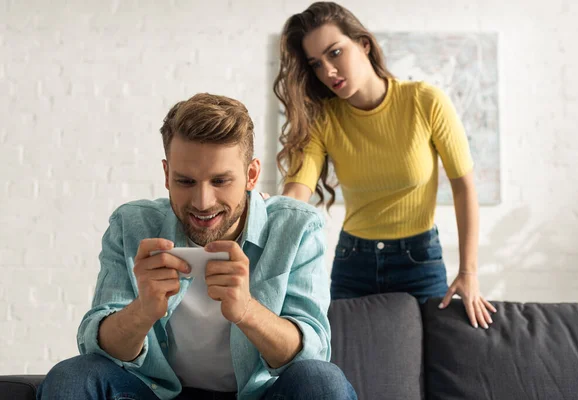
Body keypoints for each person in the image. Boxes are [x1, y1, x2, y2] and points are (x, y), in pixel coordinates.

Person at [37, 93, 356, 400]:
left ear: (251, 175)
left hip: (259, 394)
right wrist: (143, 311)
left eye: (220, 181)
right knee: (71, 375)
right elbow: (98, 349)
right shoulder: (131, 224)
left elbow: (312, 352)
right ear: (166, 174)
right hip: (153, 392)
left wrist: (246, 310)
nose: (203, 203)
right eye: (186, 182)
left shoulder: (296, 226)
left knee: (322, 381)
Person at [273, 1, 497, 329]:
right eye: (316, 64)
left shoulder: (425, 101)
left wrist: (469, 273)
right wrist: (269, 216)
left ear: (363, 43)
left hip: (420, 261)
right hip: (353, 263)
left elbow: (464, 188)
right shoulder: (324, 120)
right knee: (347, 363)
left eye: (335, 53)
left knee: (433, 367)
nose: (328, 71)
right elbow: (297, 191)